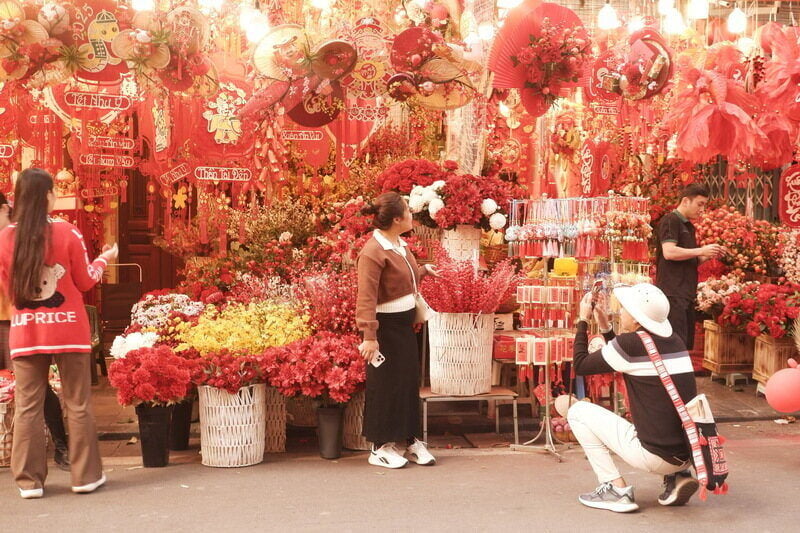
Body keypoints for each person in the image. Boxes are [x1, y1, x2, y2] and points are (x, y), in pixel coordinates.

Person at [0, 168, 118, 499]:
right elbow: (84, 281)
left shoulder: (5, 238)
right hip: (69, 330)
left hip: (25, 332)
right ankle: (84, 477)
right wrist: (104, 260)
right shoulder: (68, 232)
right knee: (78, 404)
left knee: (27, 406)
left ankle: (28, 481)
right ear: (49, 195)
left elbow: (9, 290)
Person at [568, 283, 699, 513]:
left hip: (654, 455)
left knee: (577, 412)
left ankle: (614, 489)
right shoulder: (673, 341)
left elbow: (580, 365)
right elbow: (627, 359)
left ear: (637, 318)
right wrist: (605, 327)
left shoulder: (631, 344)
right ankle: (676, 476)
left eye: (625, 309)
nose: (621, 312)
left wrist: (582, 321)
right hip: (689, 452)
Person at [356, 191, 436, 469]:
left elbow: (403, 279)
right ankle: (380, 447)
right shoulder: (372, 252)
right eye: (408, 211)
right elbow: (366, 297)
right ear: (397, 219)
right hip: (384, 330)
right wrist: (369, 336)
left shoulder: (398, 244)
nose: (412, 215)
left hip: (403, 325)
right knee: (385, 387)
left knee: (406, 384)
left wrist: (423, 271)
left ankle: (409, 439)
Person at [0, 192, 71, 472]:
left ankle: (61, 444)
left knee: (34, 385)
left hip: (17, 320)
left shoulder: (22, 236)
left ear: (5, 209)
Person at [656, 183, 723, 349]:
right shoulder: (671, 220)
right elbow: (669, 252)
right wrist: (701, 250)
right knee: (675, 344)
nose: (702, 210)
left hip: (686, 292)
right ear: (685, 201)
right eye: (699, 204)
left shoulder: (689, 227)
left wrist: (707, 255)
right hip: (673, 291)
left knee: (684, 344)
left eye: (704, 205)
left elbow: (688, 259)